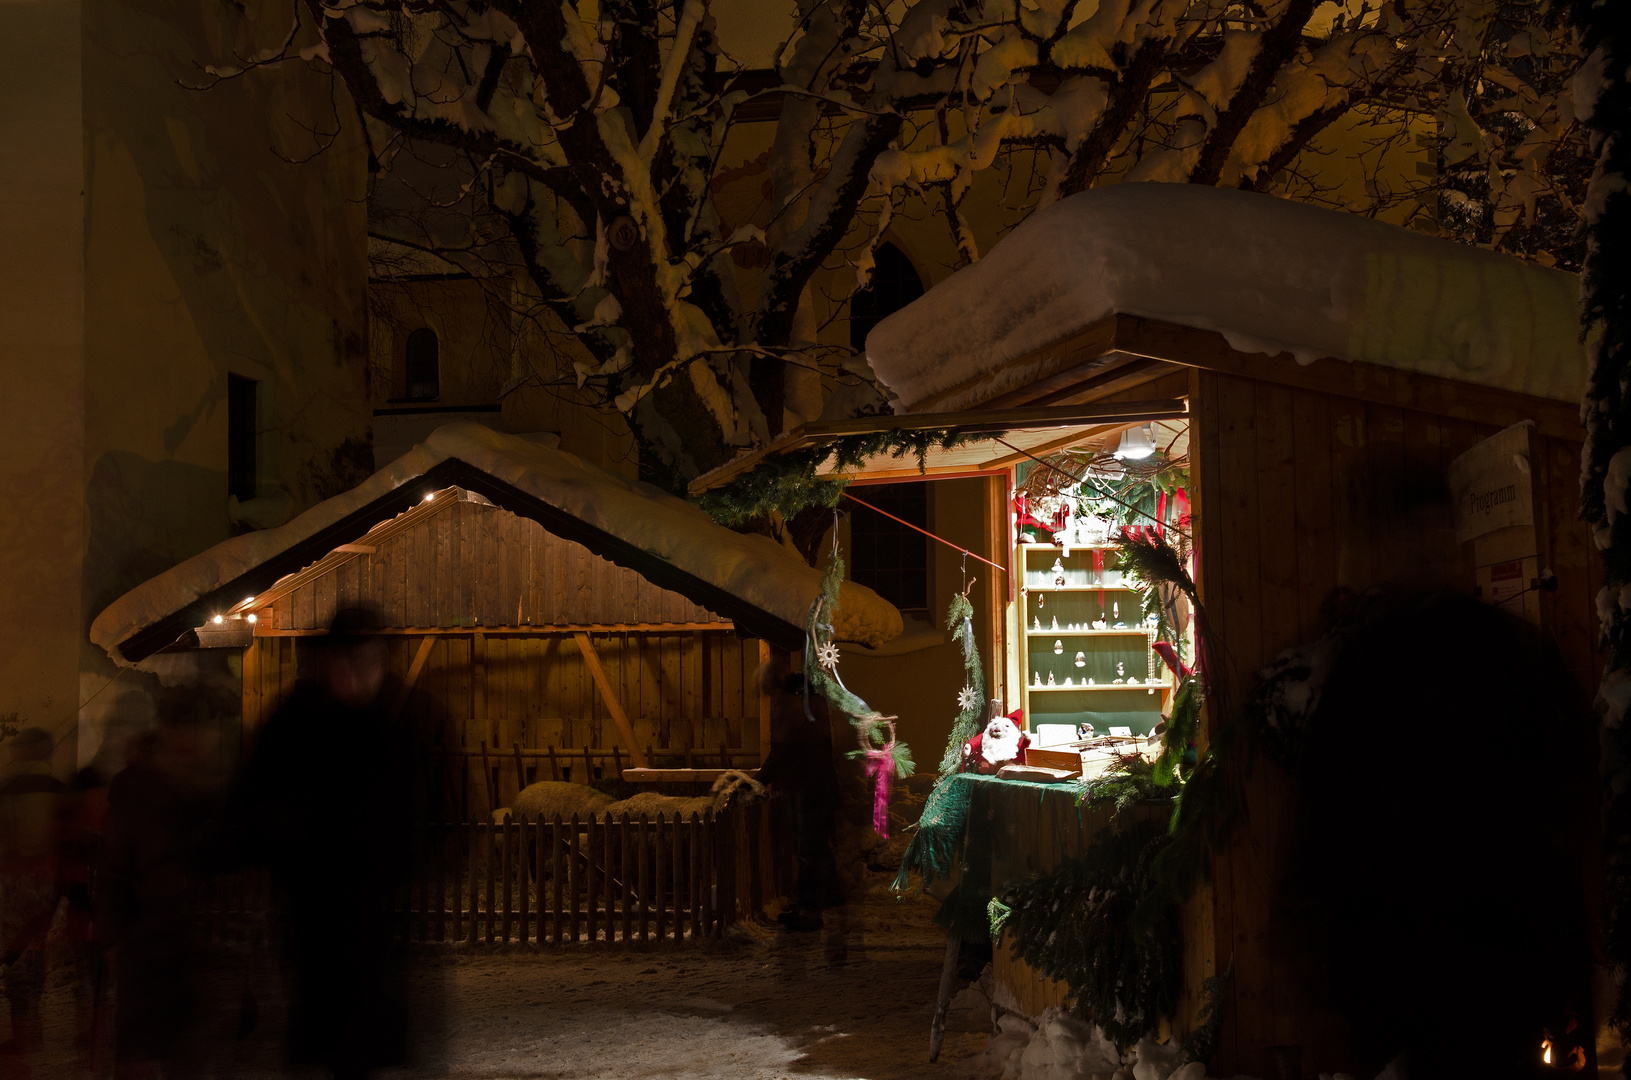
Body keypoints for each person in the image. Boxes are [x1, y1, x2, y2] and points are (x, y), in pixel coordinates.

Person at [227, 606, 414, 1080]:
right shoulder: (294, 722)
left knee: (360, 1031)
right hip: (312, 905)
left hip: (369, 910)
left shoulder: (386, 726)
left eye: (368, 663)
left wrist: (397, 864)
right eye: (348, 663)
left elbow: (408, 809)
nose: (356, 675)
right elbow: (257, 803)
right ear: (328, 663)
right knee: (326, 1023)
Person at [101, 707, 221, 1079]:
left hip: (180, 938)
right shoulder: (138, 796)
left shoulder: (192, 794)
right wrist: (116, 935)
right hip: (148, 936)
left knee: (179, 1045)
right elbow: (115, 871)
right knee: (147, 1045)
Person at [754, 655, 842, 932]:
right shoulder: (804, 696)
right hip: (814, 783)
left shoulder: (790, 702)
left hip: (806, 786)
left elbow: (783, 749)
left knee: (808, 850)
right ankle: (826, 899)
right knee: (815, 848)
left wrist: (758, 781)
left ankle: (810, 910)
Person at [0, 728, 66, 1078]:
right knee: (32, 957)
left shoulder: (6, 787)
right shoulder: (58, 789)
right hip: (47, 885)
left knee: (14, 959)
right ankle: (31, 1030)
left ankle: (21, 1038)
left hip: (11, 886)